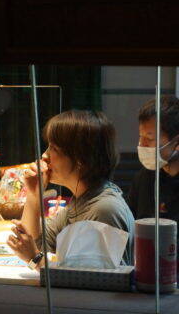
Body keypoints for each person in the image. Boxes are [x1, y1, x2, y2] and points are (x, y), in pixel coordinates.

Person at [7, 110, 134, 268]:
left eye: (54, 148)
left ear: (81, 158)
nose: (45, 155)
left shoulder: (104, 210)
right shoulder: (81, 200)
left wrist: (35, 259)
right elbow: (37, 245)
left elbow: (95, 279)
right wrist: (34, 195)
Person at [127, 96, 179, 224]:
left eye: (150, 139)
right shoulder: (143, 179)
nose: (142, 144)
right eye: (141, 136)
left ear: (176, 142)